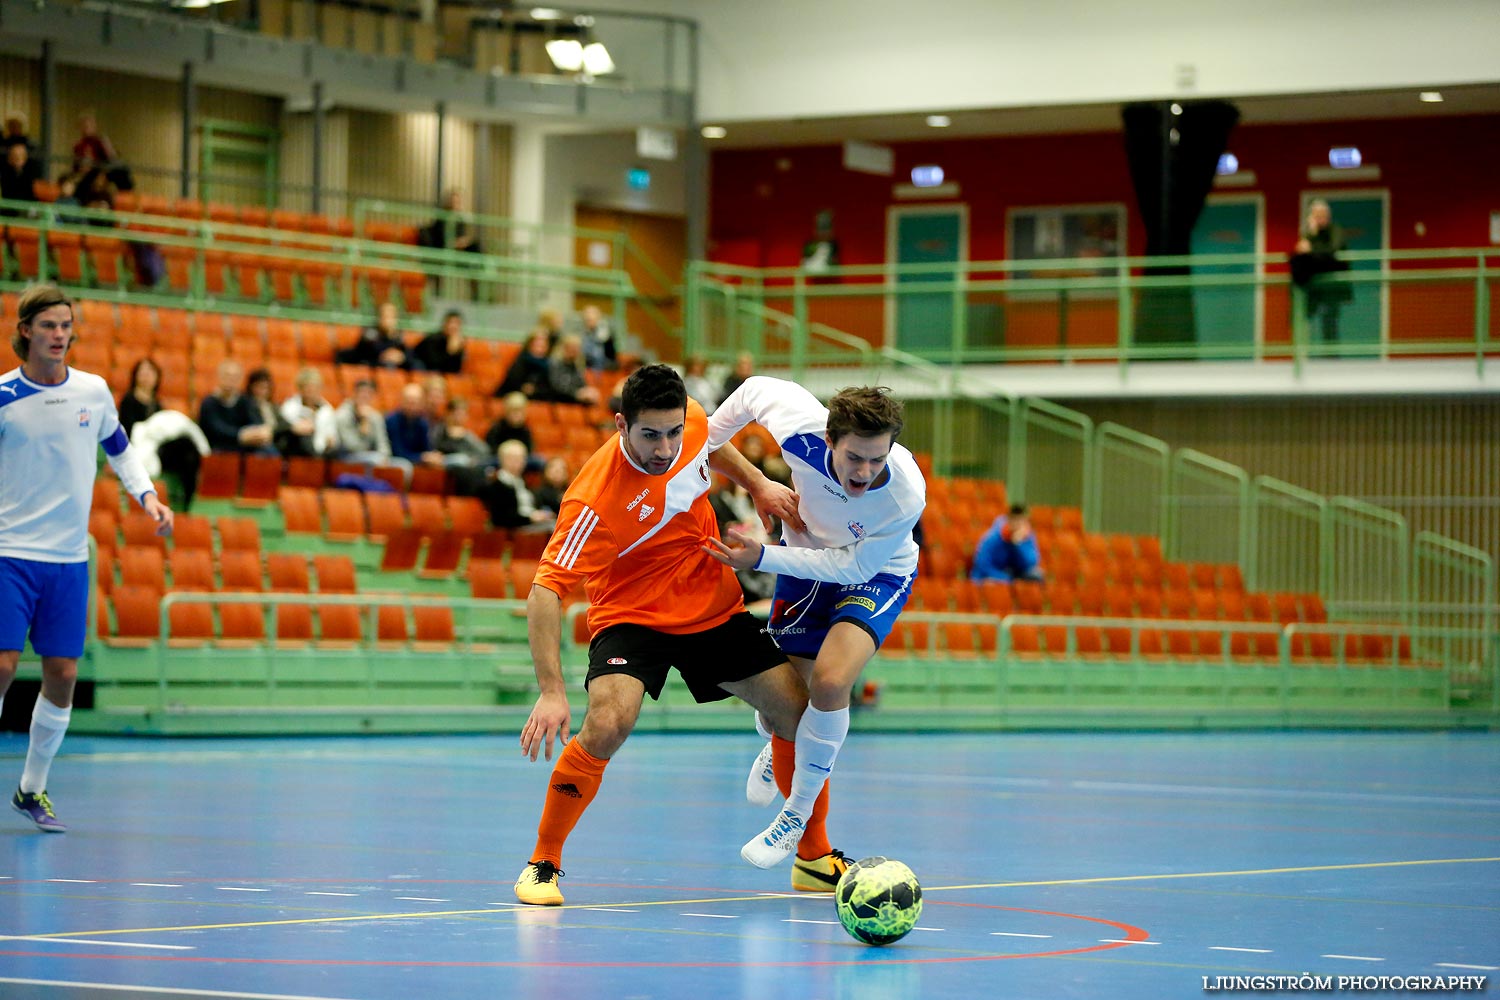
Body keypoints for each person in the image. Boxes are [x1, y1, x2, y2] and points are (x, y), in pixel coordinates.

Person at [513, 364, 833, 906]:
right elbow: (545, 592)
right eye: (649, 436)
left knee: (797, 711)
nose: (665, 448)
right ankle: (543, 862)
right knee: (610, 721)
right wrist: (550, 690)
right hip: (631, 616)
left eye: (671, 433)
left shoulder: (687, 420)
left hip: (709, 603)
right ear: (621, 426)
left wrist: (756, 482)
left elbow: (708, 439)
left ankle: (813, 856)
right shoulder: (593, 503)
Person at [702, 376, 925, 870]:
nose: (865, 471)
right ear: (829, 441)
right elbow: (748, 395)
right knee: (787, 700)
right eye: (854, 458)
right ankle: (783, 746)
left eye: (878, 459)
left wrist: (762, 556)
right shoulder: (798, 426)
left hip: (874, 574)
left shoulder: (904, 496)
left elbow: (851, 569)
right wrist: (732, 462)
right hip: (804, 554)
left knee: (829, 682)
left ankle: (795, 815)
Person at [1, 284, 174, 832]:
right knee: (2, 666)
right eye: (49, 325)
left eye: (66, 325)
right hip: (9, 553)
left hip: (69, 561)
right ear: (26, 330)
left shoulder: (94, 391)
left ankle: (32, 789)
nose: (59, 335)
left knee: (62, 673)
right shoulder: (3, 395)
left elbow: (120, 451)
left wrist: (147, 496)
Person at [119, 357, 207, 511]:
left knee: (188, 448)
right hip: (141, 448)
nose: (146, 376)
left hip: (160, 448)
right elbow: (128, 432)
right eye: (143, 372)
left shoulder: (158, 403)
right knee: (186, 449)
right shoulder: (128, 401)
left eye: (150, 372)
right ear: (136, 376)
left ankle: (188, 501)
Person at [1290, 199, 1350, 344]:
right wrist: (1311, 233)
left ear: (1328, 216)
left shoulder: (1336, 230)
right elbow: (1303, 251)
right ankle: (1301, 356)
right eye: (1316, 215)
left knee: (1329, 320)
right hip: (1313, 285)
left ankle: (1330, 358)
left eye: (1322, 215)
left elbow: (1333, 250)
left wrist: (1312, 249)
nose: (1320, 218)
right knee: (1302, 315)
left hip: (1332, 285)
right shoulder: (1310, 233)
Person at [333, 378, 408, 477]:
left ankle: (395, 492)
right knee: (375, 459)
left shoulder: (375, 416)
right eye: (362, 393)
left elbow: (383, 443)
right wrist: (364, 424)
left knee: (405, 466)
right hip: (346, 459)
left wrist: (384, 456)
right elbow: (352, 447)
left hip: (373, 457)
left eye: (369, 393)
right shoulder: (342, 415)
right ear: (354, 394)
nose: (365, 396)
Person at [197, 359, 275, 454]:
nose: (230, 380)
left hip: (243, 446)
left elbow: (256, 422)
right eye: (227, 376)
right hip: (217, 447)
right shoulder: (209, 403)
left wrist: (260, 432)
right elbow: (216, 429)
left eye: (235, 377)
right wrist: (240, 434)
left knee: (268, 451)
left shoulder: (245, 401)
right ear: (219, 377)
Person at [481, 440, 553, 531]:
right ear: (503, 460)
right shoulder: (496, 485)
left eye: (522, 458)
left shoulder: (523, 482)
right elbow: (501, 519)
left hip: (531, 525)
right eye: (514, 458)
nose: (519, 462)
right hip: (515, 530)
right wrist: (530, 518)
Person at [969, 504, 1044, 582]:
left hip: (1012, 574)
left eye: (1022, 521)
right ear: (1009, 520)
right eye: (1015, 520)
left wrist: (1018, 544)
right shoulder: (993, 536)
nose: (1018, 525)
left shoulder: (1026, 536)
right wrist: (1005, 578)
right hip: (991, 574)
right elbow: (982, 564)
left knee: (1036, 575)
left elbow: (1031, 563)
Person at [278, 366, 339, 458]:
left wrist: (331, 440)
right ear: (300, 389)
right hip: (296, 448)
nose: (311, 391)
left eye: (314, 387)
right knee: (304, 435)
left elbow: (332, 433)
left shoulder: (327, 409)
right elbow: (286, 429)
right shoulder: (290, 406)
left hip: (322, 451)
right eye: (307, 387)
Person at [337, 302, 414, 370]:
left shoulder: (398, 336)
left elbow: (408, 353)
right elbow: (367, 351)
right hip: (371, 366)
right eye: (385, 316)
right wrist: (387, 354)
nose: (388, 320)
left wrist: (401, 356)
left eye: (391, 317)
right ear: (379, 317)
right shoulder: (370, 333)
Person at [385, 383, 440, 468]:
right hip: (395, 460)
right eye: (409, 401)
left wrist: (432, 456)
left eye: (415, 402)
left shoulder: (422, 422)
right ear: (401, 401)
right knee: (405, 465)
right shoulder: (391, 421)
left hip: (414, 460)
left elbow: (426, 449)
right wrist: (422, 457)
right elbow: (397, 453)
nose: (412, 406)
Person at [495, 330, 553, 400]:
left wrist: (535, 390)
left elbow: (549, 388)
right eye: (537, 345)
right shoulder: (521, 360)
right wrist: (523, 388)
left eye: (543, 346)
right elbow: (510, 382)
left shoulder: (548, 364)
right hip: (513, 395)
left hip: (536, 398)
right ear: (529, 345)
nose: (539, 349)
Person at [545, 333, 601, 407]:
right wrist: (577, 394)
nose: (575, 351)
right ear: (564, 348)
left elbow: (581, 384)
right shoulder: (554, 363)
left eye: (577, 348)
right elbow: (556, 387)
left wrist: (588, 391)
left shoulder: (576, 365)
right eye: (572, 348)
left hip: (572, 401)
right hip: (558, 402)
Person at [412, 310, 467, 374]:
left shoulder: (458, 343)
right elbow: (433, 364)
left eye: (457, 323)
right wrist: (450, 351)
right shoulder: (433, 339)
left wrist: (457, 351)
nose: (454, 327)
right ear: (445, 324)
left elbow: (455, 370)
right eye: (451, 323)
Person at [579, 305, 616, 373]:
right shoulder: (580, 334)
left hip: (603, 367)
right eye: (587, 320)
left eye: (592, 319)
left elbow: (611, 356)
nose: (590, 322)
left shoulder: (606, 334)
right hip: (586, 368)